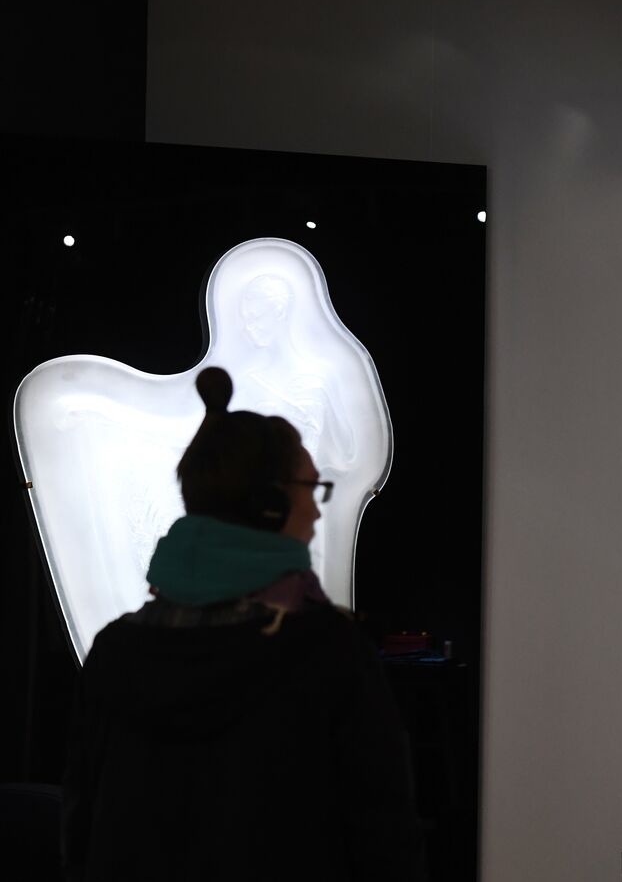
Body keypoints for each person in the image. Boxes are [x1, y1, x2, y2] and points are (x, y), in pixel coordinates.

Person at [61, 367, 424, 881]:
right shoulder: (331, 654)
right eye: (311, 488)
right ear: (271, 506)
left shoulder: (113, 654)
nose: (317, 514)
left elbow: (80, 836)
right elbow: (384, 844)